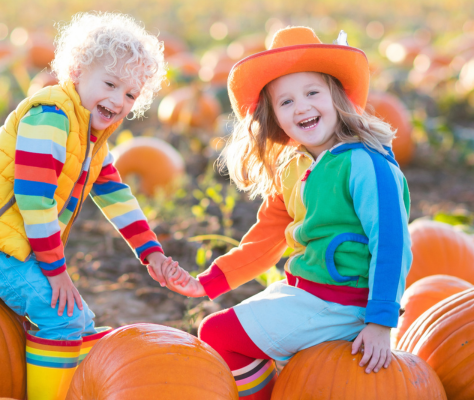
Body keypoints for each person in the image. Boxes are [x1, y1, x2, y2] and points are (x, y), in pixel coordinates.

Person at [165, 26, 412, 400]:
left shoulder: (365, 164)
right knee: (226, 331)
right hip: (305, 292)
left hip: (342, 303)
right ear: (274, 117)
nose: (302, 107)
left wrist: (380, 321)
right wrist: (209, 283)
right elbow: (264, 242)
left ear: (338, 97)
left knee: (219, 334)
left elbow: (391, 243)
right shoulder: (294, 168)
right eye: (286, 101)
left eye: (312, 92)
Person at [0, 12, 181, 400]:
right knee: (64, 319)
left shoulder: (92, 136)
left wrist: (152, 254)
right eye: (109, 84)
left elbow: (115, 195)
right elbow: (34, 200)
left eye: (130, 94)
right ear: (76, 73)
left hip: (19, 247)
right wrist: (57, 273)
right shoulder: (51, 118)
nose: (118, 100)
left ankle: (71, 383)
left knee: (80, 322)